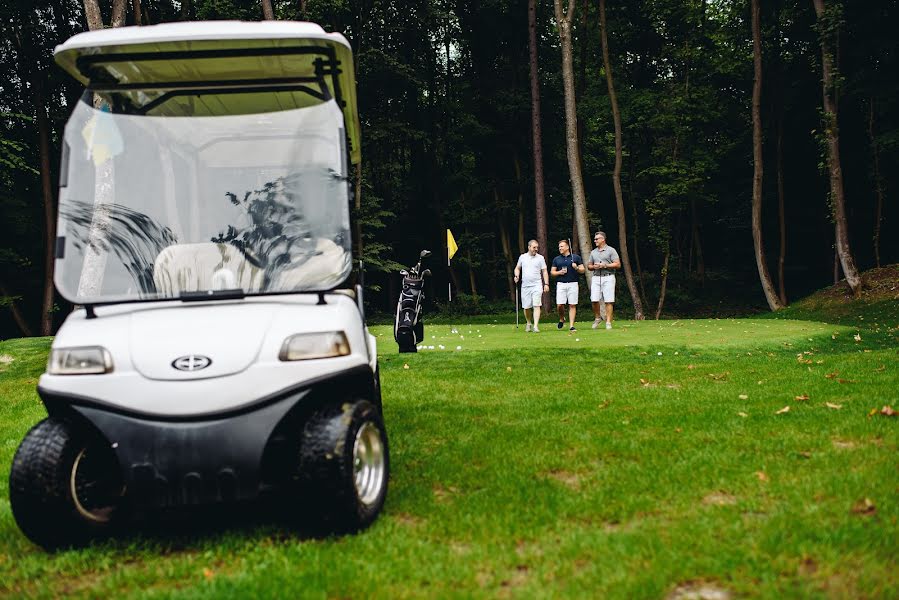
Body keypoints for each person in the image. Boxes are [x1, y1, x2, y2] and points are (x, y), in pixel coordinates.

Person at [514, 239, 549, 332]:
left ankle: (536, 326)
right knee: (526, 307)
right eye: (534, 247)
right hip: (525, 285)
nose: (536, 249)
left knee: (537, 305)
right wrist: (516, 275)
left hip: (537, 284)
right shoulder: (522, 257)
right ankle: (529, 323)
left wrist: (546, 283)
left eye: (537, 247)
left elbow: (544, 271)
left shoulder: (540, 258)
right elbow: (517, 268)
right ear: (529, 247)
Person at [550, 239, 585, 332]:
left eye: (561, 246)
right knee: (559, 305)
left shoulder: (576, 257)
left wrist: (576, 267)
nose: (560, 248)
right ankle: (562, 318)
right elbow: (552, 272)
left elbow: (583, 270)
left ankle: (571, 325)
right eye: (559, 247)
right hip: (561, 284)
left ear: (567, 247)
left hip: (573, 283)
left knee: (572, 304)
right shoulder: (556, 259)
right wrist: (559, 272)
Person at [588, 231, 620, 329]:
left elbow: (617, 264)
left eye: (597, 239)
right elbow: (589, 266)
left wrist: (605, 265)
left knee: (609, 300)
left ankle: (608, 322)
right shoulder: (593, 252)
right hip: (596, 277)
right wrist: (594, 266)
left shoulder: (611, 250)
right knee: (594, 299)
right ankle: (598, 318)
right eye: (594, 239)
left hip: (609, 276)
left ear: (603, 239)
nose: (595, 241)